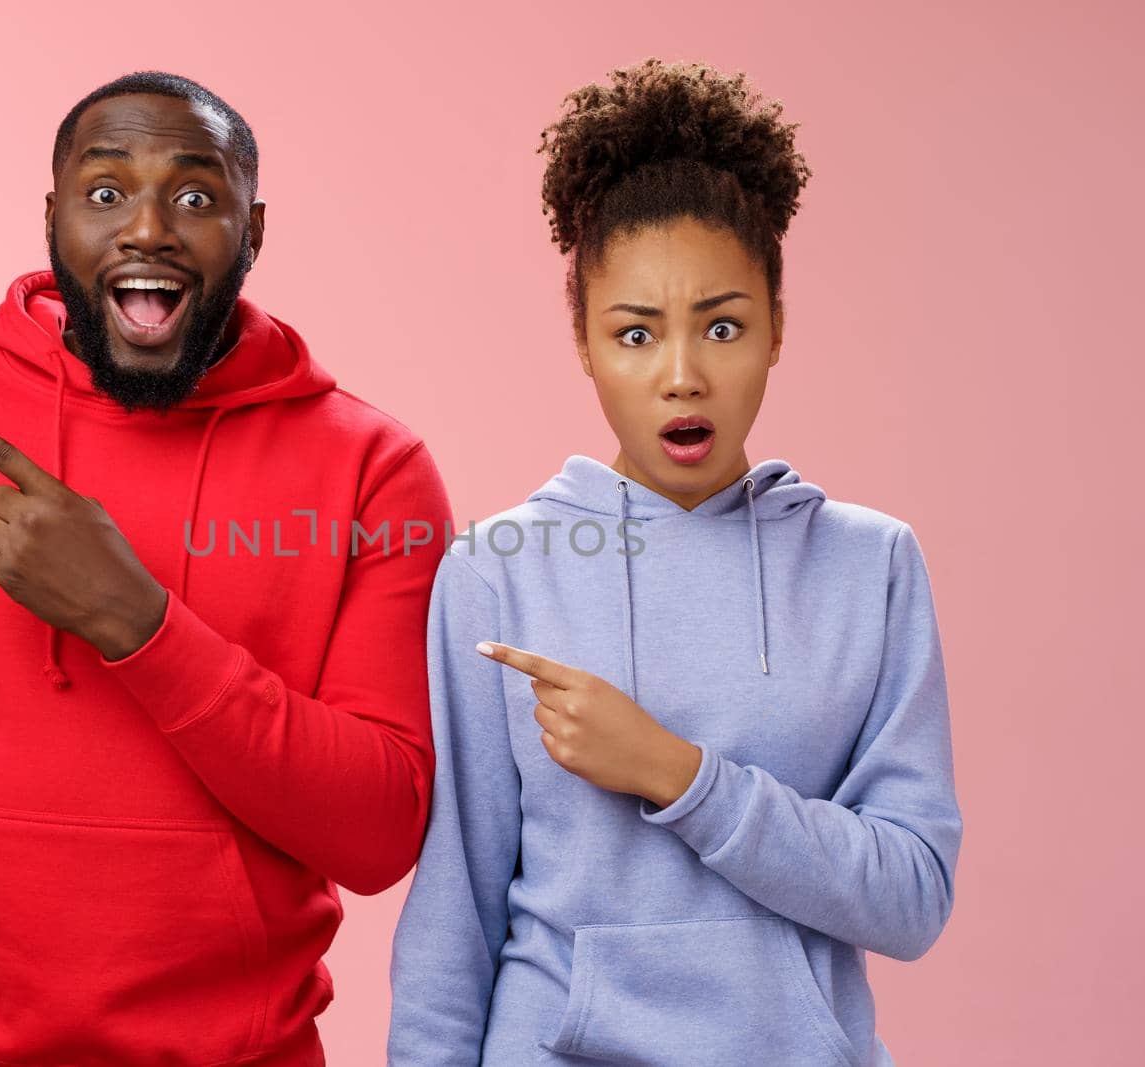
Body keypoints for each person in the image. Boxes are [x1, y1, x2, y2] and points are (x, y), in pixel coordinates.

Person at [0, 71, 451, 1067]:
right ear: (53, 218)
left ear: (254, 232)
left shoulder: (373, 469)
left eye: (197, 197)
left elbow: (380, 831)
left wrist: (137, 623)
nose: (149, 229)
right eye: (107, 191)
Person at [387, 59, 963, 1065]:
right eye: (635, 333)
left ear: (778, 326)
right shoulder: (499, 567)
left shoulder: (870, 565)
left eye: (723, 325)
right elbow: (452, 918)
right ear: (583, 340)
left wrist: (675, 772)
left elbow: (911, 895)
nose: (682, 374)